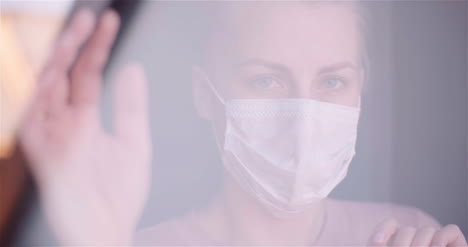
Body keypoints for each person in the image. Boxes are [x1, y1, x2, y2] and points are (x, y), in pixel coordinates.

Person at [18, 1, 467, 246]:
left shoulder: (409, 236)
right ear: (204, 93)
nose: (303, 119)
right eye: (266, 79)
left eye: (332, 81)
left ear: (360, 87)